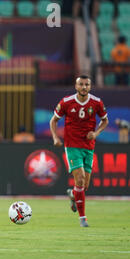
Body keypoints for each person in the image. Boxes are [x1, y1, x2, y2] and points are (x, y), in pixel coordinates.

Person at [49, 75, 109, 228]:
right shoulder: (66, 102)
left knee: (84, 185)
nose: (84, 87)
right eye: (81, 84)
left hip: (88, 146)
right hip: (72, 145)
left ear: (90, 86)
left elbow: (105, 120)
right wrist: (55, 137)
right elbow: (53, 120)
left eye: (87, 84)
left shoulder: (97, 102)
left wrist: (95, 134)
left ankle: (73, 195)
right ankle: (83, 219)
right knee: (80, 178)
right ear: (76, 86)